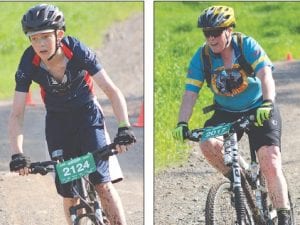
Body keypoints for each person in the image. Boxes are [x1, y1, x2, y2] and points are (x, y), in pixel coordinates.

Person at [8, 4, 136, 225]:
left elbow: (112, 91)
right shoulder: (28, 62)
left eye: (45, 37)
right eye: (34, 38)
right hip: (58, 121)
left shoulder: (77, 50)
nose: (39, 44)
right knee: (69, 194)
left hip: (87, 115)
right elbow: (17, 114)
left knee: (101, 182)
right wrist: (18, 154)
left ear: (60, 34)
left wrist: (124, 127)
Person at [172, 5, 291, 225]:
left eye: (216, 32)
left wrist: (267, 103)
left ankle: (284, 217)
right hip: (226, 112)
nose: (211, 38)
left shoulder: (246, 46)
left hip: (259, 108)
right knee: (207, 143)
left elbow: (265, 75)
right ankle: (240, 178)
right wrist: (182, 122)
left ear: (229, 30)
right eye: (207, 33)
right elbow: (190, 94)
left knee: (270, 162)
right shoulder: (202, 57)